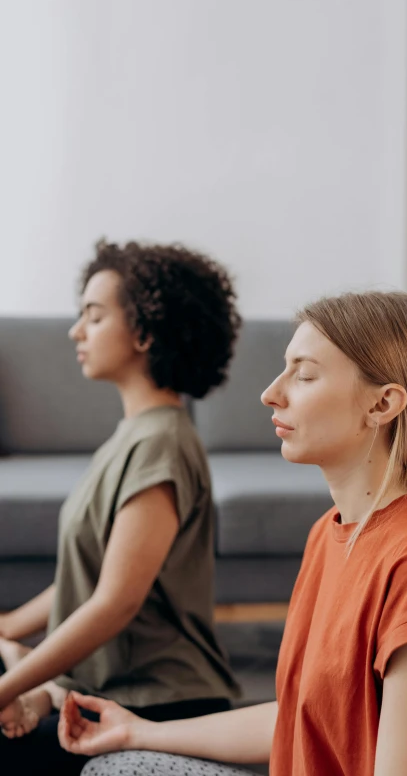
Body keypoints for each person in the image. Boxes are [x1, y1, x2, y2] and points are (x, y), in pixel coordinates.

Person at [58, 290, 407, 776]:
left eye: (304, 375)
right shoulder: (329, 534)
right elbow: (301, 720)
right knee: (118, 763)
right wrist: (139, 730)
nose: (271, 392)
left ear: (382, 404)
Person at [0, 240, 242, 774]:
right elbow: (92, 574)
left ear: (144, 333)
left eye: (93, 315)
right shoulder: (134, 435)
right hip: (106, 689)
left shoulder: (161, 443)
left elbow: (114, 602)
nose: (76, 332)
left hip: (155, 699)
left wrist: (10, 685)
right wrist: (11, 626)